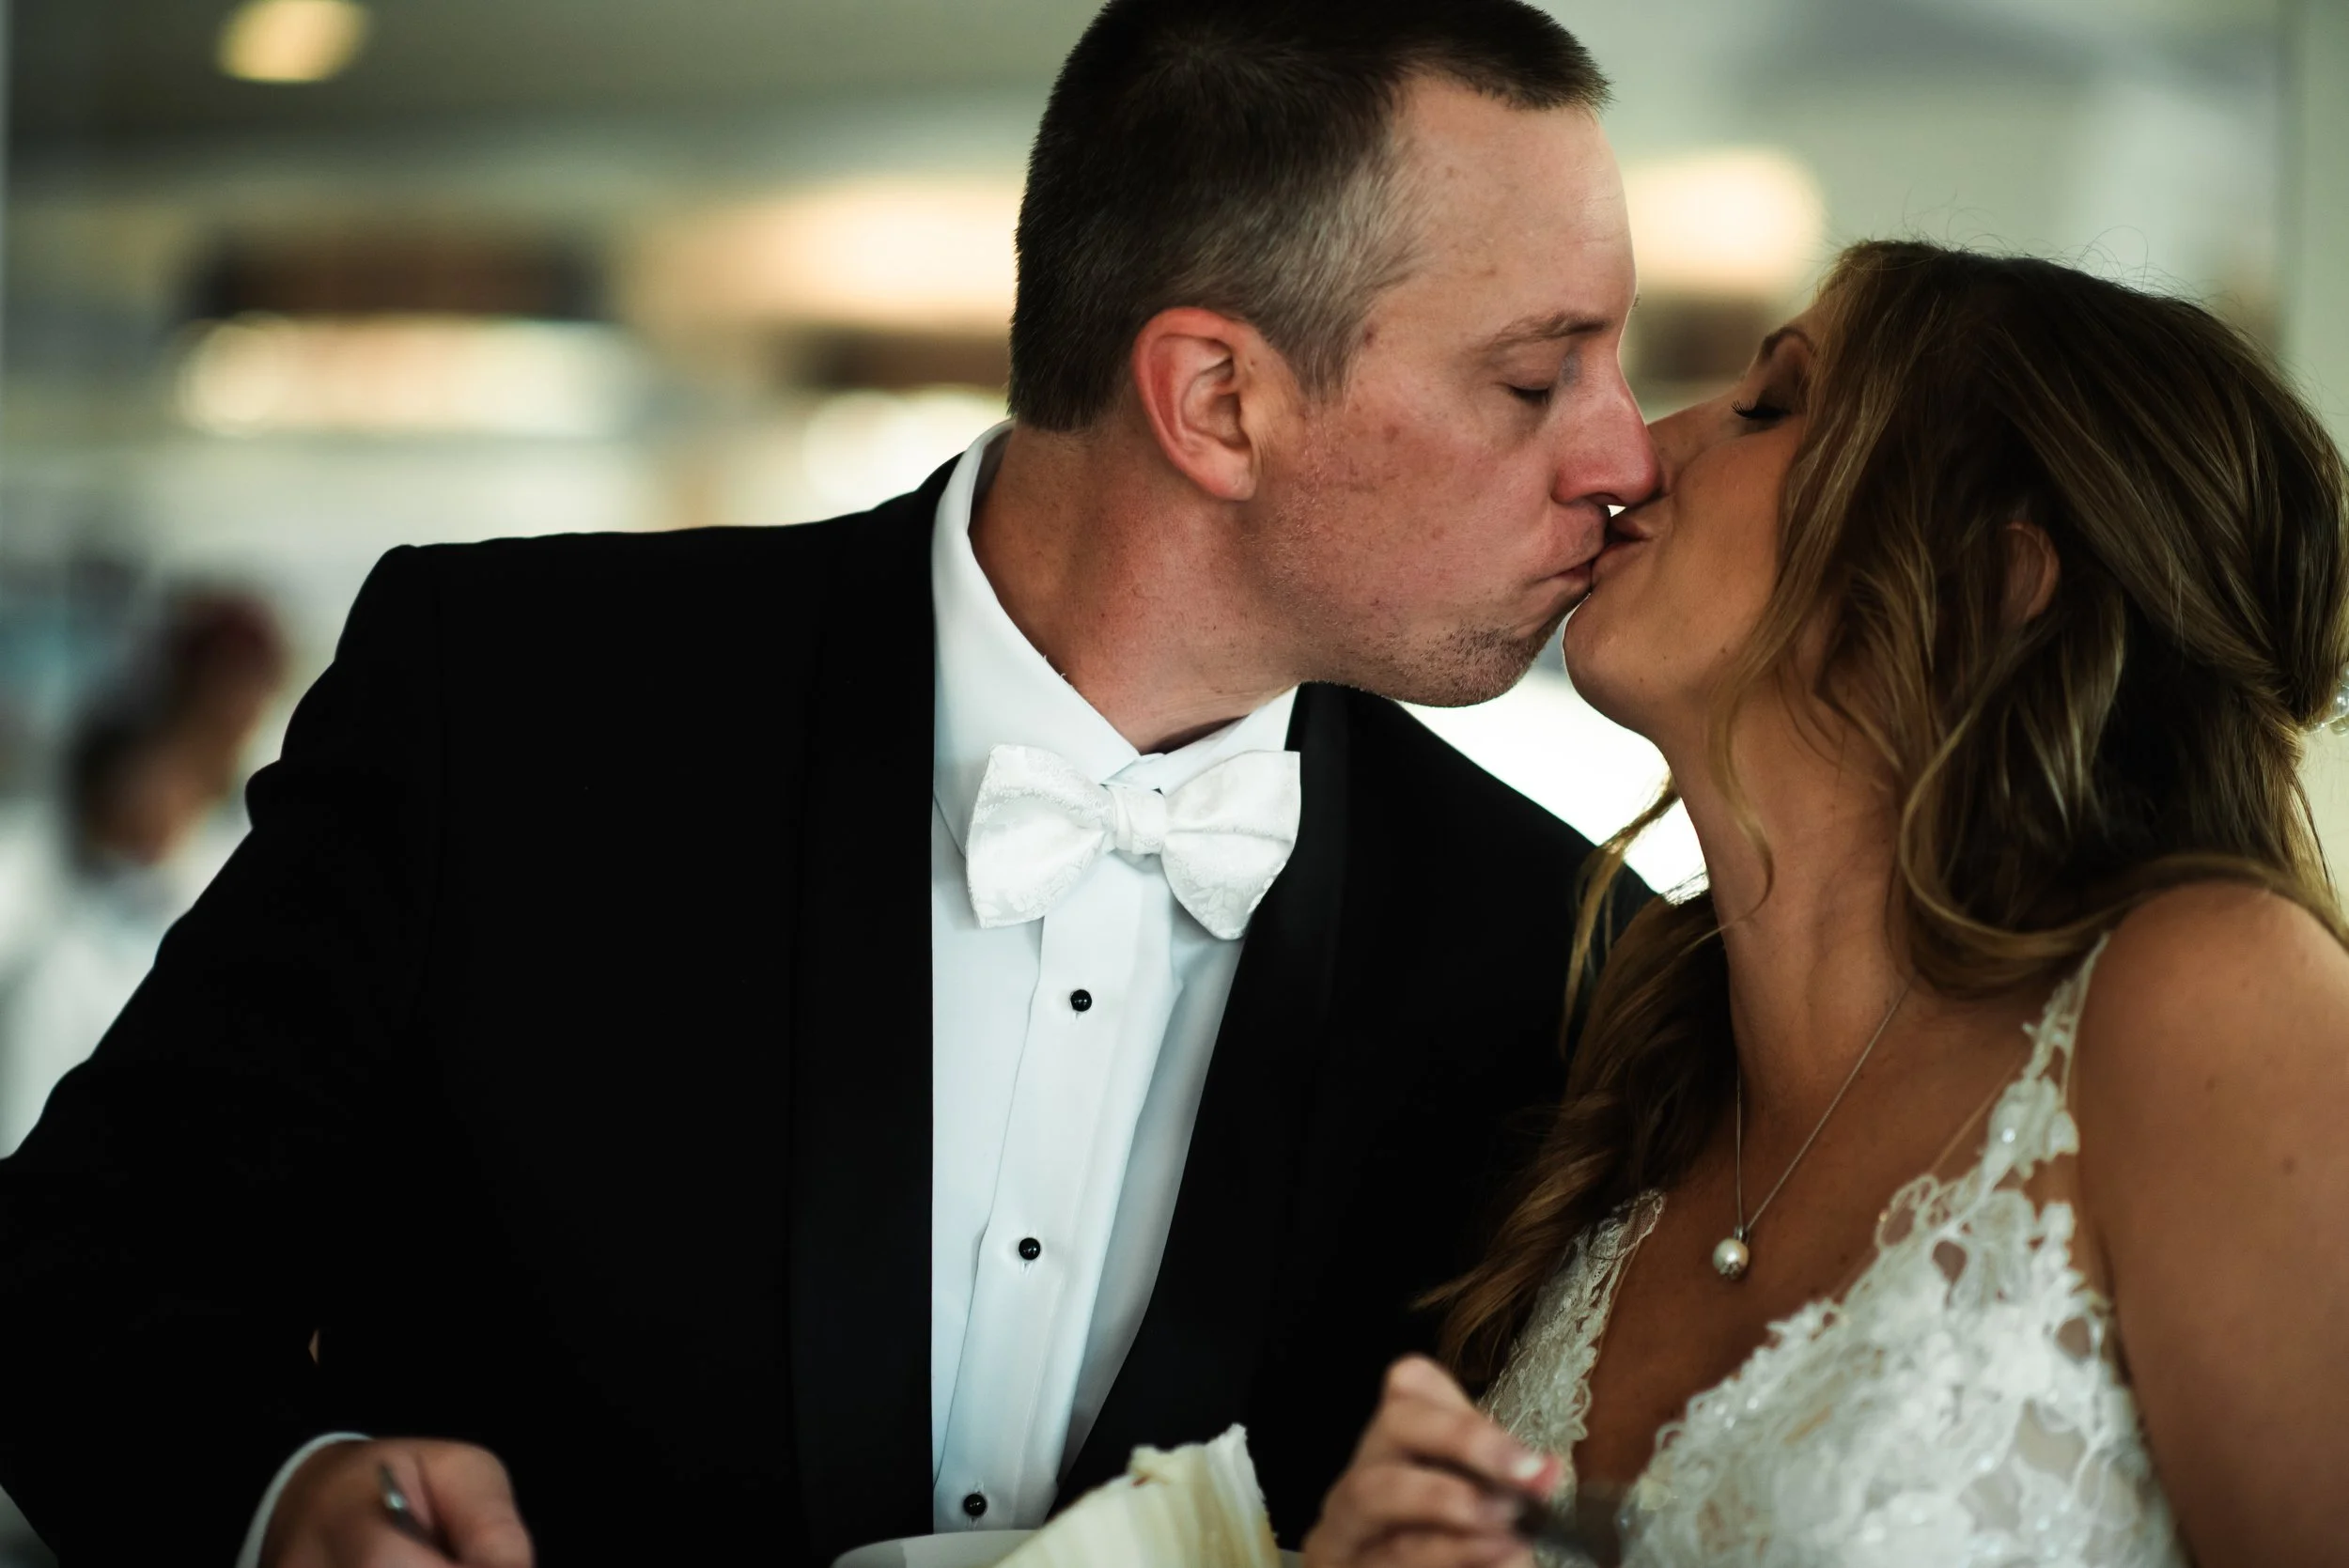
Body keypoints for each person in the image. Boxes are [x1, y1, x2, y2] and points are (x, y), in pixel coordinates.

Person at [0, 3, 1659, 1564]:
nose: (1626, 458)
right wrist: (279, 1495)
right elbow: (69, 1269)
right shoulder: (507, 700)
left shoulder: (1562, 952)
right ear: (1219, 400)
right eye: (1535, 376)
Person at [1302, 241, 2349, 1568]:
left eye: (1771, 406)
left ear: (1984, 588)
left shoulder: (2200, 1001)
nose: (1637, 453)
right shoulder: (1613, 1098)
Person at [0, 591, 288, 1157]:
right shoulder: (59, 948)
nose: (234, 708)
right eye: (217, 685)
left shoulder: (253, 837)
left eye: (248, 687)